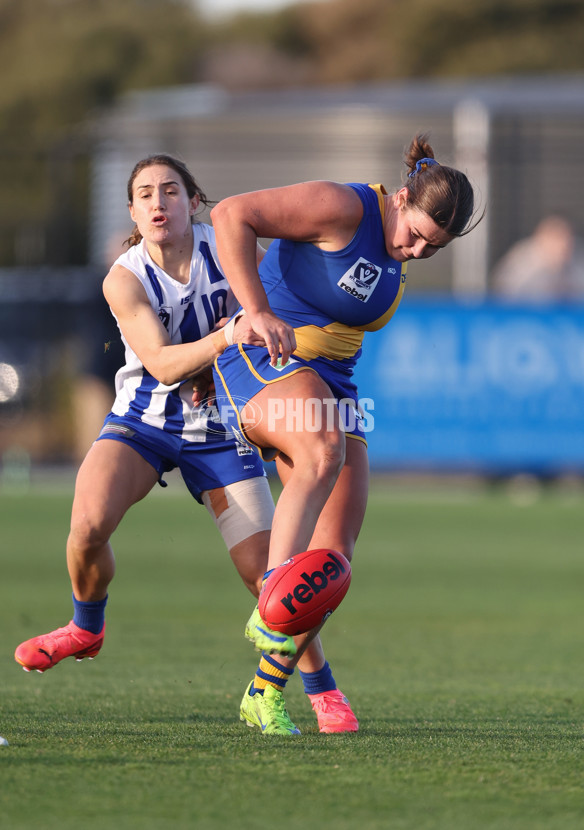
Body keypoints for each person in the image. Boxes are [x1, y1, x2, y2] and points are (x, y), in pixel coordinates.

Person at [13, 154, 351, 736]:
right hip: (143, 422)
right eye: (145, 194)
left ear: (194, 203)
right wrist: (227, 336)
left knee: (272, 578)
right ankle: (86, 626)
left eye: (170, 190)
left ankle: (322, 689)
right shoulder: (123, 277)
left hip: (220, 430)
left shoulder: (227, 248)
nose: (157, 202)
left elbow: (272, 313)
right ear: (132, 212)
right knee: (88, 523)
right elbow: (164, 364)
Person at [210, 134, 478, 733]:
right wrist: (254, 309)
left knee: (333, 561)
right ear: (402, 197)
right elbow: (232, 214)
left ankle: (266, 690)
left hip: (335, 381)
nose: (414, 250)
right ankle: (272, 607)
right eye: (414, 234)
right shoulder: (344, 207)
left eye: (432, 249)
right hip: (266, 358)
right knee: (323, 449)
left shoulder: (400, 248)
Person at [491, 214, 584, 301]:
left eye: (566, 239)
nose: (563, 246)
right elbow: (503, 293)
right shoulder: (522, 258)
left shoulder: (577, 257)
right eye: (556, 238)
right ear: (541, 237)